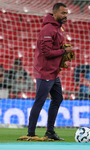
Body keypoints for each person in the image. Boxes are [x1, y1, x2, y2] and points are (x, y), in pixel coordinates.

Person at [27, 3, 73, 141]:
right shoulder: (48, 29)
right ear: (55, 13)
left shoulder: (59, 28)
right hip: (45, 72)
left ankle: (50, 131)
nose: (66, 16)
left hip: (53, 72)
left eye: (67, 13)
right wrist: (64, 51)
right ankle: (31, 133)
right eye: (63, 13)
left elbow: (53, 48)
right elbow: (46, 53)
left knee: (58, 98)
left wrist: (61, 52)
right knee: (40, 101)